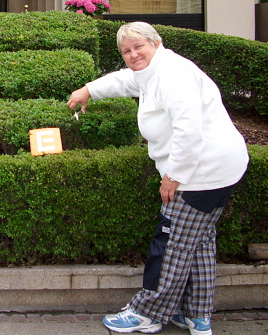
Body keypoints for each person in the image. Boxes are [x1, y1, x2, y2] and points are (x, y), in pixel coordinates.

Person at [67, 22, 249, 335]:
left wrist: (173, 177)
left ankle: (148, 313)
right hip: (222, 169)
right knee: (199, 243)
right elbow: (128, 81)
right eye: (126, 50)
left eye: (139, 46)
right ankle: (197, 315)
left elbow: (189, 131)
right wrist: (89, 90)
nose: (133, 54)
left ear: (156, 42)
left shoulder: (171, 75)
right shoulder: (155, 70)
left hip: (201, 175)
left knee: (170, 245)